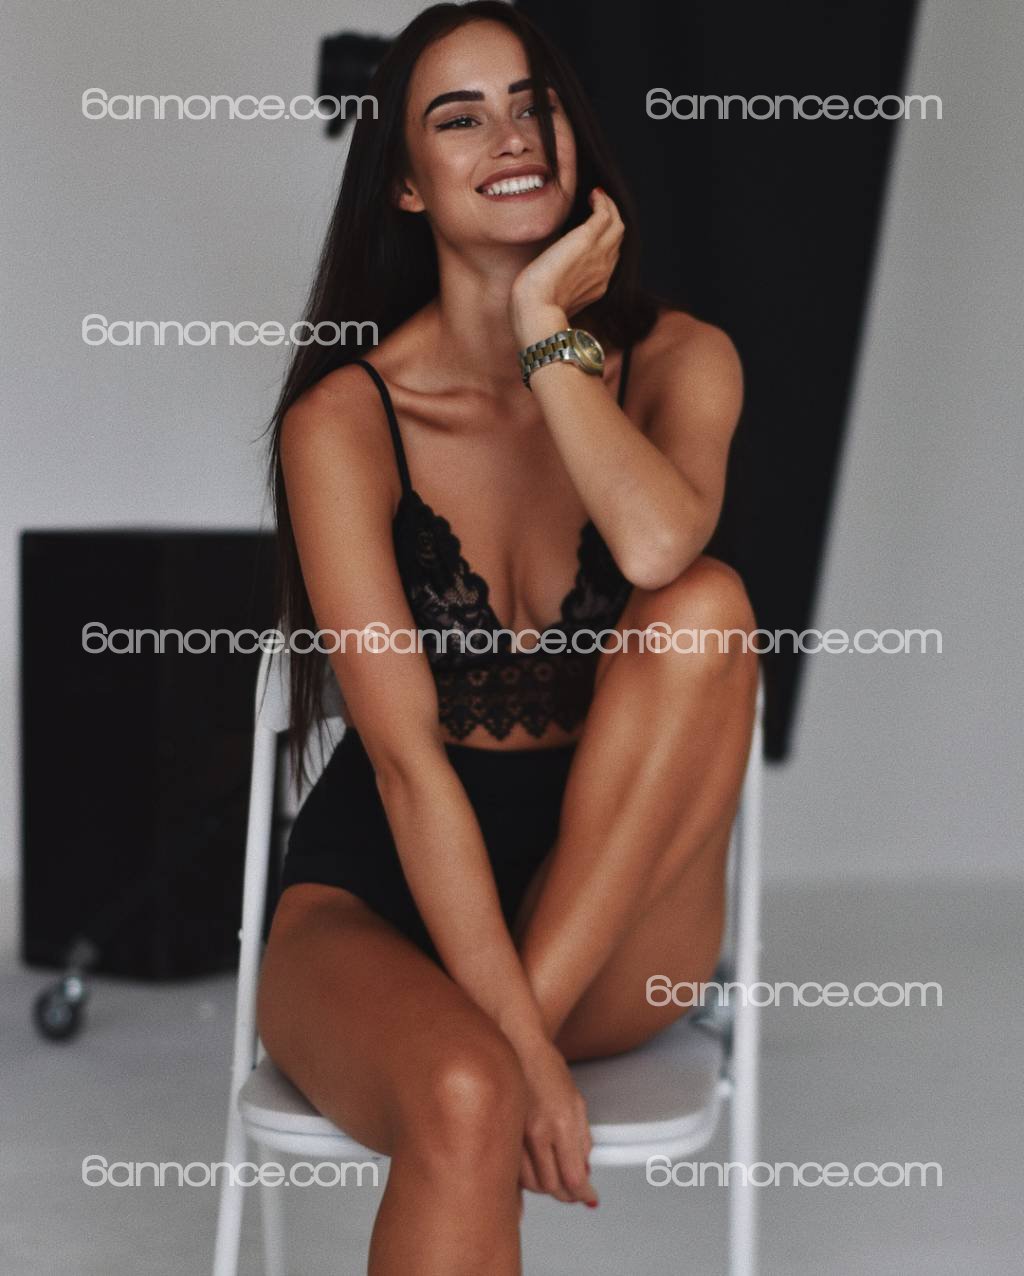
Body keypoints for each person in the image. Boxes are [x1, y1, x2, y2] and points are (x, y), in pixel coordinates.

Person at [256, 3, 759, 1272]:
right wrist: (512, 1058)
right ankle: (491, 1056)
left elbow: (655, 547)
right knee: (466, 1094)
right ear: (406, 184)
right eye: (460, 118)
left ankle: (499, 1043)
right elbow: (405, 768)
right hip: (386, 892)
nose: (512, 135)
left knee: (706, 604)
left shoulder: (680, 360)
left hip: (621, 908)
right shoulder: (344, 422)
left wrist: (548, 332)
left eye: (532, 104)